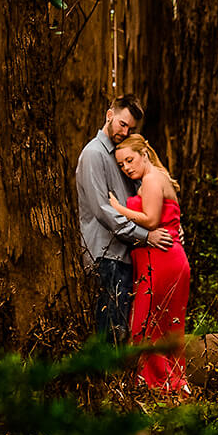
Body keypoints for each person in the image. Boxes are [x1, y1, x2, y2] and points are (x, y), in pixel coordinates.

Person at [75, 95, 174, 348]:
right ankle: (106, 385)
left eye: (130, 128)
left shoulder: (123, 155)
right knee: (109, 331)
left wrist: (171, 225)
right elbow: (103, 211)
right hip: (107, 256)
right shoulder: (94, 155)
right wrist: (146, 236)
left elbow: (144, 199)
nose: (125, 131)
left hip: (128, 254)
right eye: (122, 124)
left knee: (122, 330)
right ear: (109, 115)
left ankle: (119, 383)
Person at [107, 132, 193, 395]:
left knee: (151, 325)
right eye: (122, 165)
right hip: (159, 259)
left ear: (144, 154)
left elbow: (152, 219)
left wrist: (117, 207)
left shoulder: (153, 178)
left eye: (130, 160)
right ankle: (164, 384)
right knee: (159, 324)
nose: (127, 167)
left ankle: (163, 385)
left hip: (163, 259)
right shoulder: (150, 179)